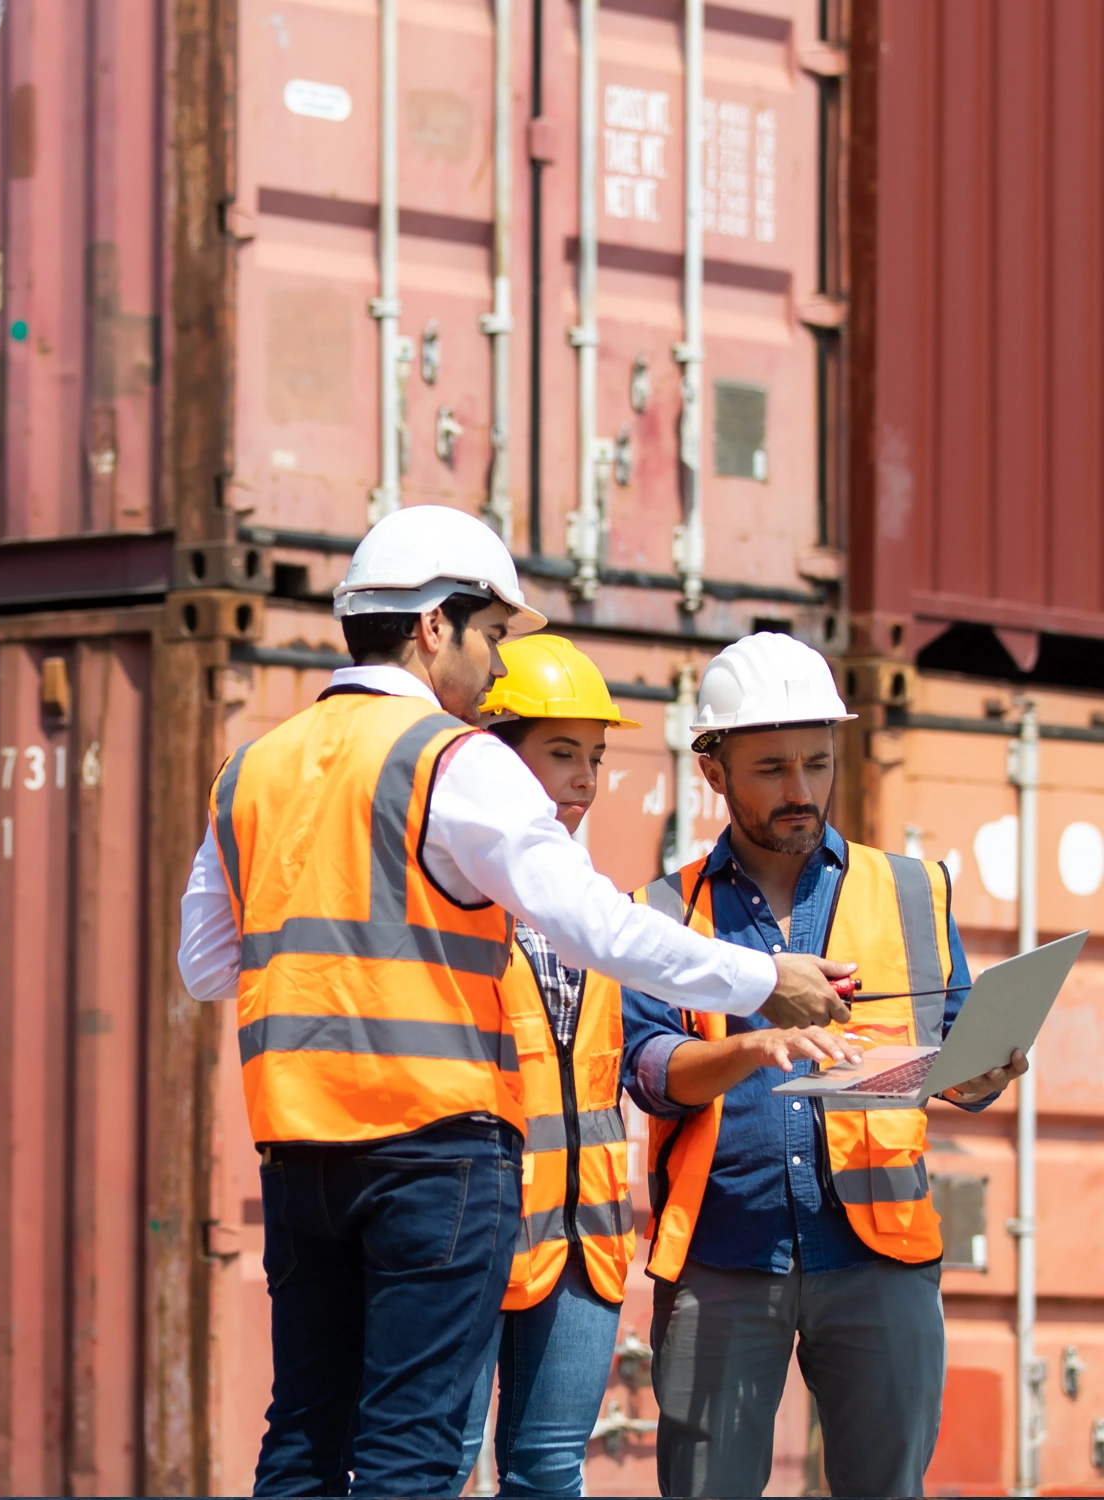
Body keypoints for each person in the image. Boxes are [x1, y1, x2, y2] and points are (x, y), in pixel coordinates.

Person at [175, 506, 856, 1497]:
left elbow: (206, 965)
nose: (495, 668)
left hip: (298, 1156)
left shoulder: (251, 770)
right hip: (433, 1152)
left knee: (304, 1437)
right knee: (413, 1448)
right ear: (431, 626)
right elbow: (588, 922)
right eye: (491, 633)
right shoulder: (454, 761)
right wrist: (764, 981)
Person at [621, 632, 1029, 1499]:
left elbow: (952, 1057)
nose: (801, 791)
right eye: (770, 769)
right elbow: (651, 1071)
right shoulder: (659, 911)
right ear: (714, 769)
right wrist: (752, 1045)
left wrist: (986, 1070)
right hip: (724, 1255)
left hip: (880, 1255)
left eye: (816, 761)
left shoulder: (915, 890)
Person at [453, 635, 641, 1498]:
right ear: (497, 758)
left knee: (549, 1470)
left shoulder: (597, 908)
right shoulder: (453, 903)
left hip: (584, 1244)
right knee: (441, 1464)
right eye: (561, 754)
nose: (585, 781)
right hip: (474, 1235)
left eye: (595, 758)